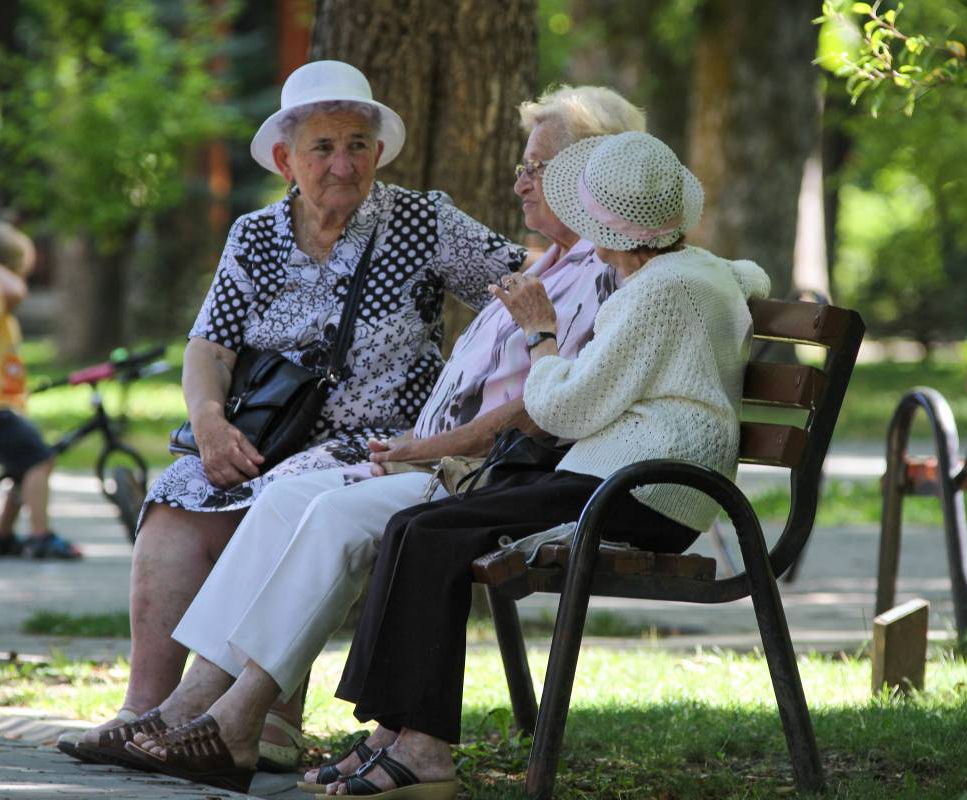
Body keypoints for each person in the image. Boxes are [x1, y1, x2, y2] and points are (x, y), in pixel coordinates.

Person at [65, 86, 647, 791]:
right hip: (400, 452)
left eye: (538, 168)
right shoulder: (543, 268)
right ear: (285, 159)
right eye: (323, 148)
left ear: (589, 177)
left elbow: (547, 400)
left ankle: (240, 722)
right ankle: (178, 706)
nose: (520, 181)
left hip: (451, 464)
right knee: (224, 494)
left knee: (311, 502)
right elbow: (208, 344)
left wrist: (427, 445)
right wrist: (210, 420)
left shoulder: (584, 270)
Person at [318, 132, 772, 797]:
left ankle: (421, 746)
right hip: (625, 477)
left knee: (435, 534)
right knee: (416, 525)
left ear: (601, 226)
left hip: (646, 490)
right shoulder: (689, 271)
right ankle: (393, 730)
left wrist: (541, 331)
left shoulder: (657, 292)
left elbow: (560, 408)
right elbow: (749, 274)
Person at [0, 221, 81, 559]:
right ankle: (41, 536)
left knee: (22, 467)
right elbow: (16, 292)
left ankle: (1, 535)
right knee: (41, 460)